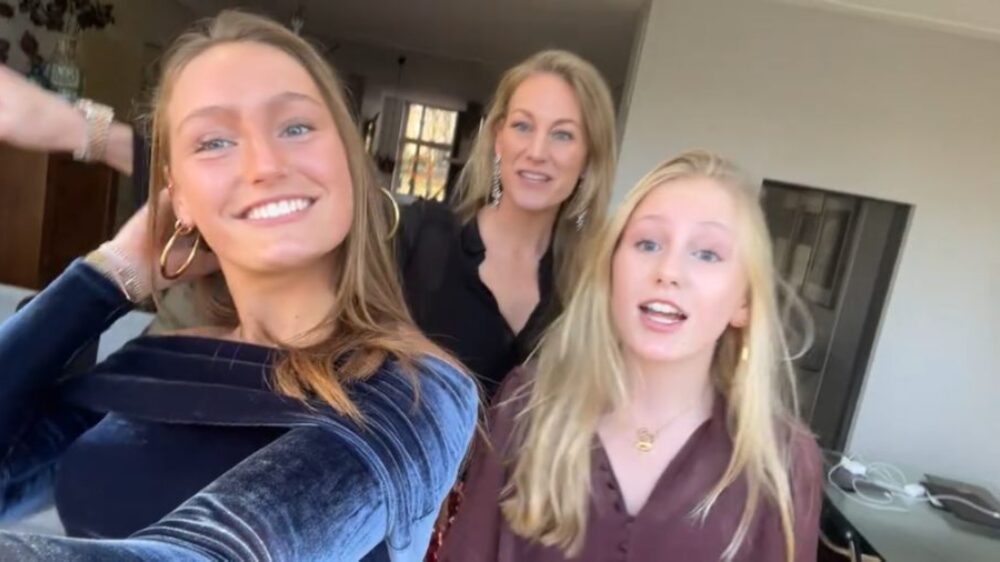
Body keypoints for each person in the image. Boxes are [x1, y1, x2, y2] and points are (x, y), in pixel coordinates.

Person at [0, 10, 477, 561]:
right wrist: (109, 274)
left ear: (350, 159)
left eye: (295, 127)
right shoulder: (150, 366)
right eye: (213, 142)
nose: (264, 165)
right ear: (178, 196)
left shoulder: (423, 394)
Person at [0, 48, 619, 401]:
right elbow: (288, 199)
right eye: (523, 126)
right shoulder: (420, 233)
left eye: (563, 134)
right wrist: (90, 133)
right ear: (498, 137)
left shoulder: (593, 283)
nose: (538, 151)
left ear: (589, 154)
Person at [439, 150, 823, 562]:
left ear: (744, 301)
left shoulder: (783, 462)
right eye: (648, 243)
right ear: (611, 271)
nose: (668, 271)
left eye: (707, 254)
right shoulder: (526, 408)